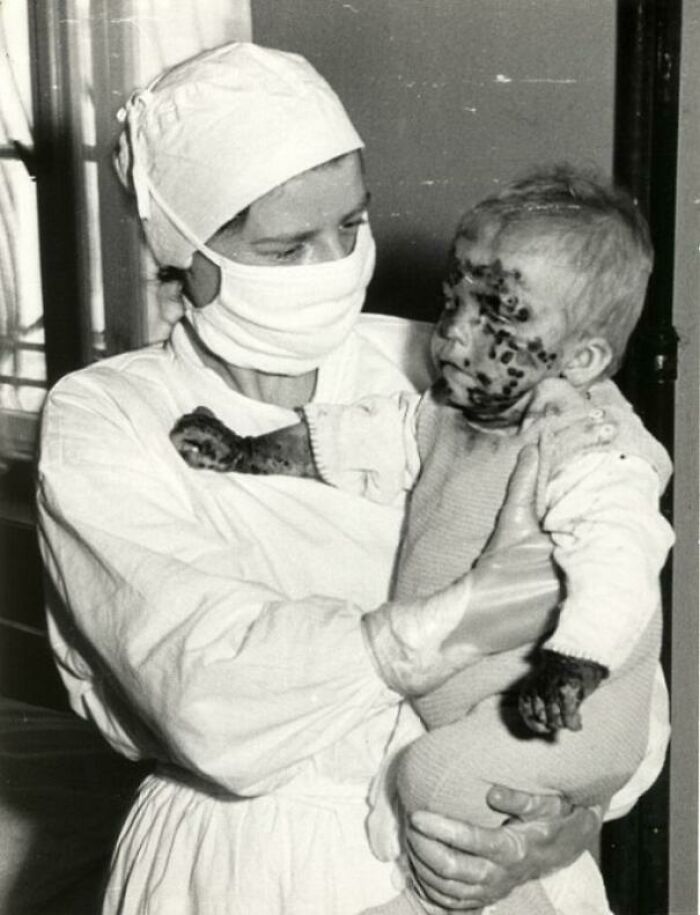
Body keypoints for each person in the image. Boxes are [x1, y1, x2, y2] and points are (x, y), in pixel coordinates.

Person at [35, 43, 669, 915]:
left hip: (490, 845)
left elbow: (628, 679)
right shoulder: (107, 415)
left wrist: (558, 827)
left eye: (351, 224)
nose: (335, 263)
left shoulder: (451, 366)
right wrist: (462, 618)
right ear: (184, 251)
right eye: (289, 245)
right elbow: (204, 686)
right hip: (251, 863)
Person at [175, 165, 674, 914]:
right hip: (470, 696)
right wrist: (251, 449)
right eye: (453, 301)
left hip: (572, 709)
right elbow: (365, 440)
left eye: (497, 316)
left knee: (433, 780)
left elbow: (621, 558)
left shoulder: (591, 443)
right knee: (424, 772)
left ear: (582, 361)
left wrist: (571, 665)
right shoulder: (455, 406)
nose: (453, 337)